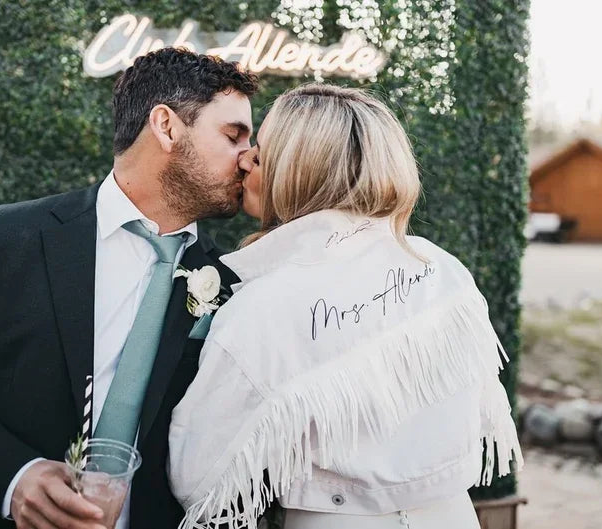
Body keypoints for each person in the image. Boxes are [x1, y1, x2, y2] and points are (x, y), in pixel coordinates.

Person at [0, 48, 258, 529]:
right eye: (233, 136)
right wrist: (14, 477)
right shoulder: (10, 237)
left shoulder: (229, 282)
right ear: (166, 127)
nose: (248, 158)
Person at [168, 84, 524, 529]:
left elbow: (198, 476)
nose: (244, 161)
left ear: (296, 175)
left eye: (259, 156)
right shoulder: (442, 268)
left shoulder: (265, 305)